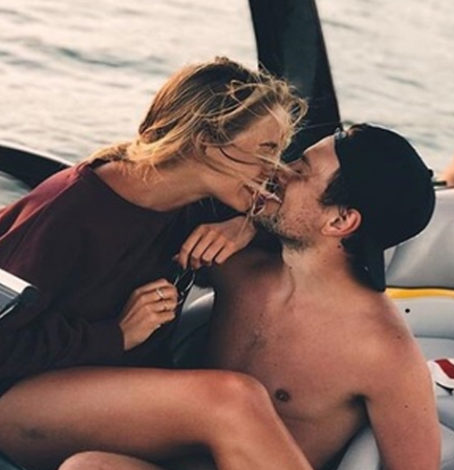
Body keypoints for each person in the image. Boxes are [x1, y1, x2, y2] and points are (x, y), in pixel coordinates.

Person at [60, 124, 441, 470]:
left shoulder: (383, 349)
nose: (280, 170)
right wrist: (246, 222)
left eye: (301, 171)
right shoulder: (239, 269)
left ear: (340, 221)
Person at [0, 57, 316, 470]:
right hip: (19, 403)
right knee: (233, 399)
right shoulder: (68, 211)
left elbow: (305, 231)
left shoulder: (201, 202)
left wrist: (245, 227)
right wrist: (116, 334)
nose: (275, 171)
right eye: (266, 151)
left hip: (110, 395)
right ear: (206, 143)